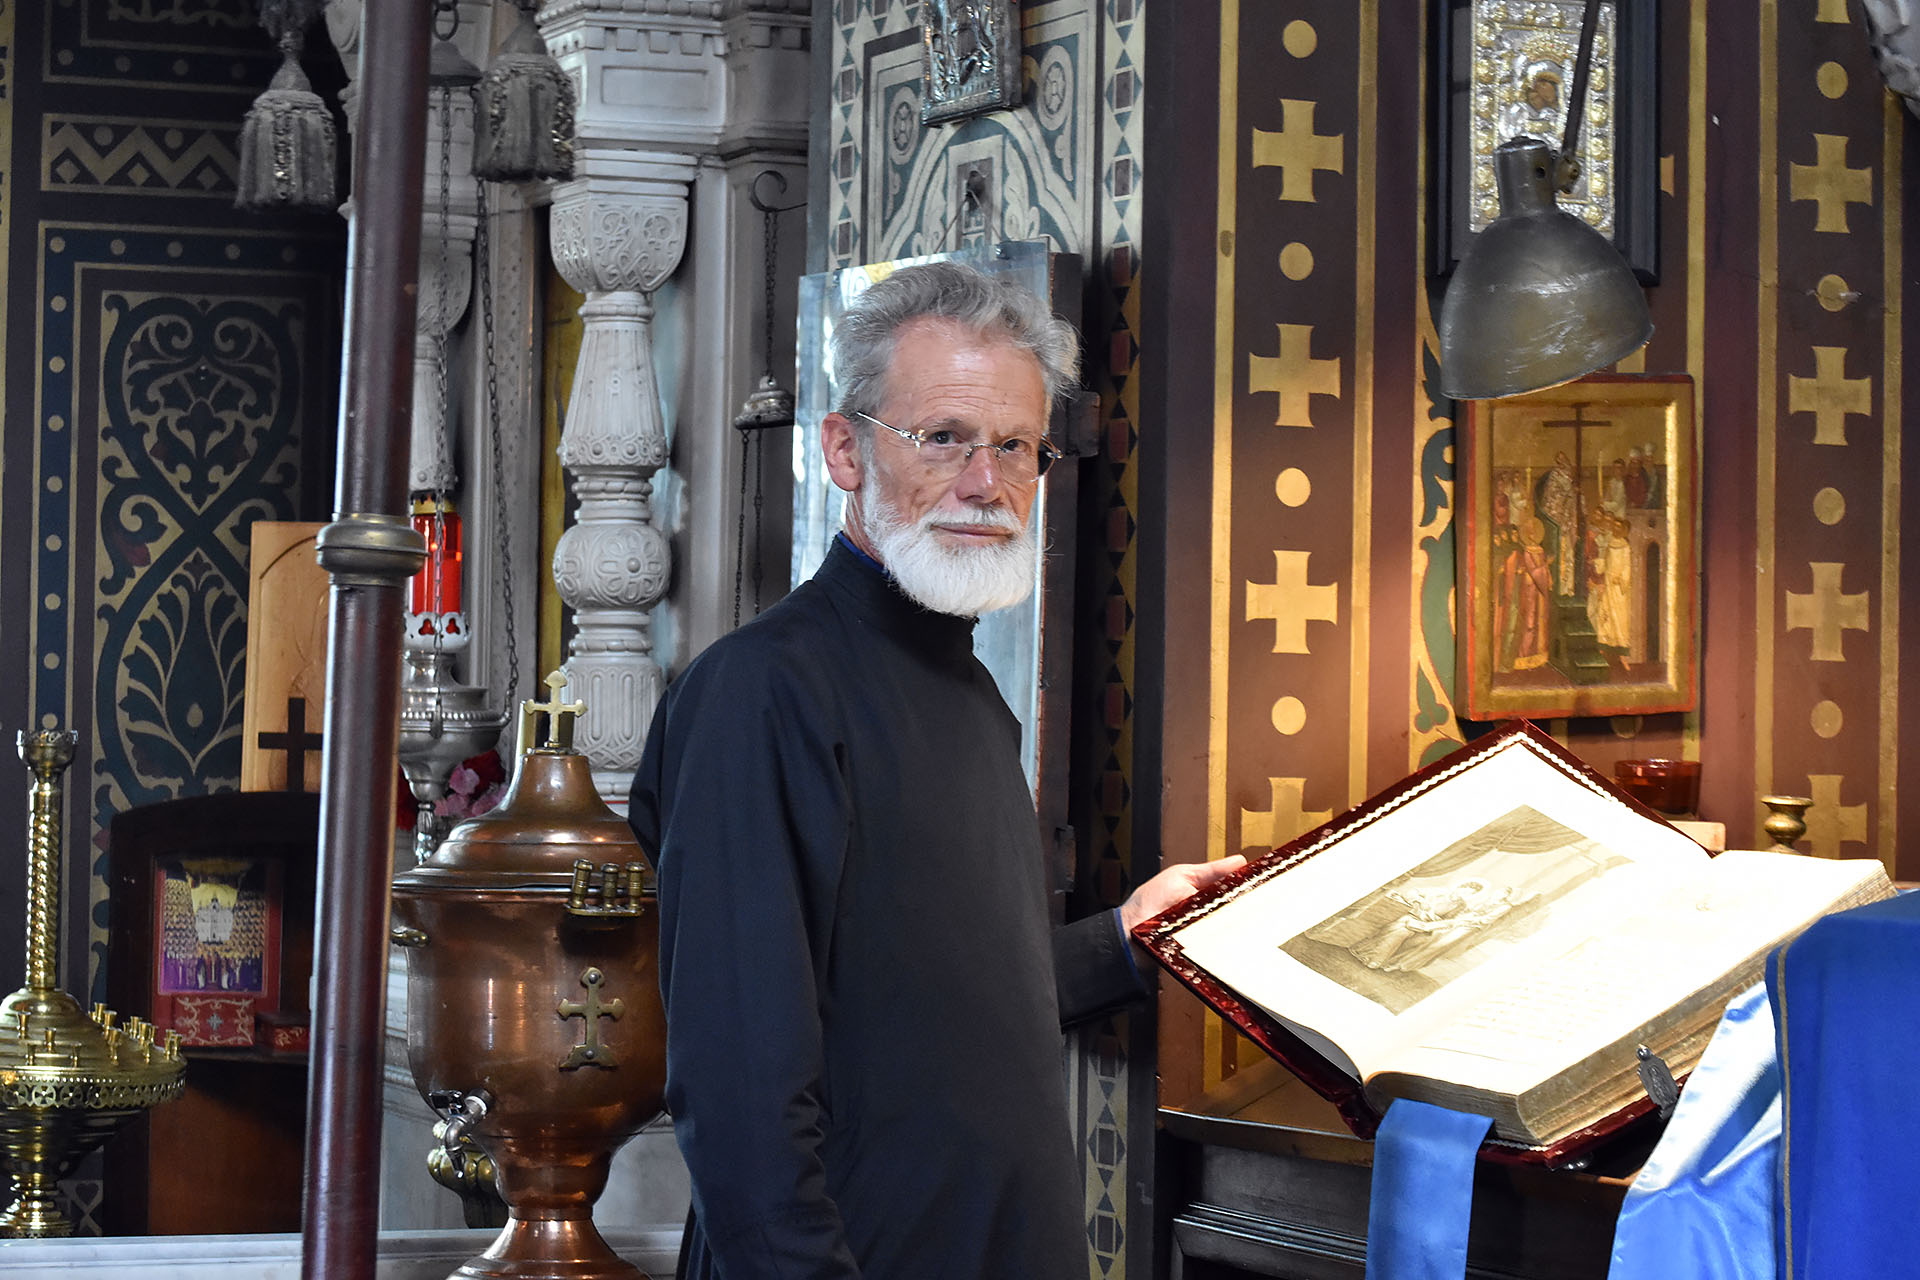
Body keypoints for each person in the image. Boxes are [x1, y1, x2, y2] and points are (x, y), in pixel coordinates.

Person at [627, 261, 1244, 1280]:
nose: (984, 481)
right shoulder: (763, 693)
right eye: (944, 437)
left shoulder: (974, 701)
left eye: (1013, 446)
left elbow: (928, 1002)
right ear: (844, 448)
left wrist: (1127, 941)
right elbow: (741, 1085)